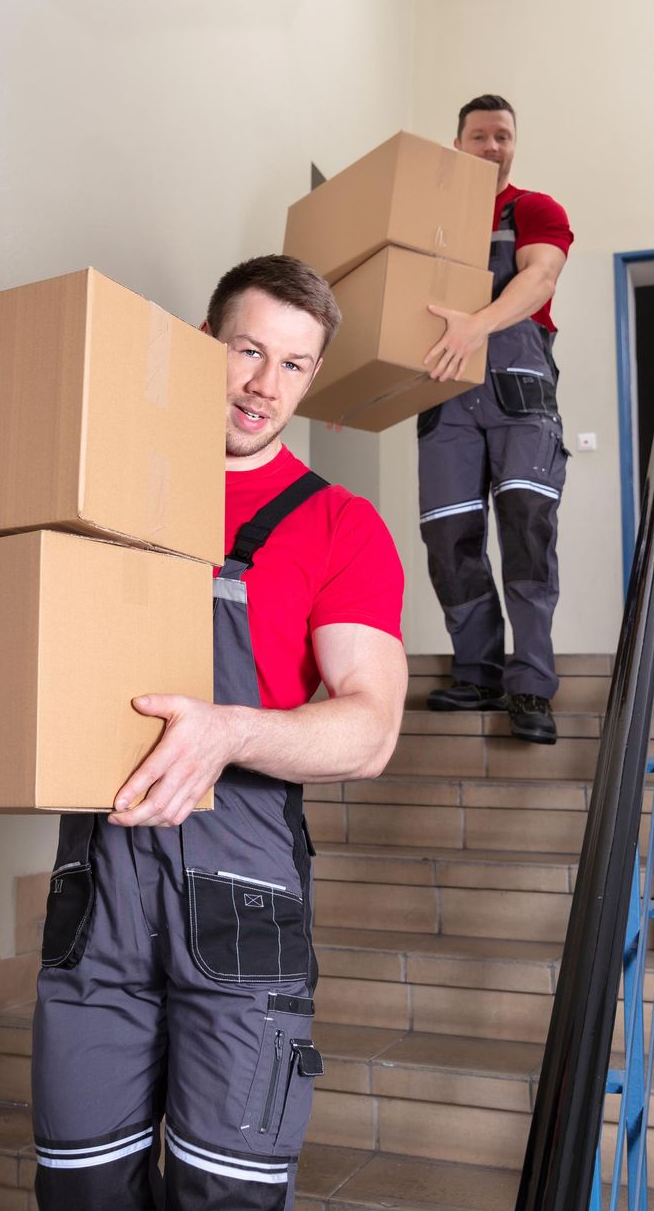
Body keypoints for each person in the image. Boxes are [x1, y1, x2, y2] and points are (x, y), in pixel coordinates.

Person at [28, 255, 408, 1209]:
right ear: (204, 344)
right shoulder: (102, 492)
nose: (261, 386)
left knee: (225, 1200)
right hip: (98, 895)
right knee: (80, 1193)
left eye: (291, 365)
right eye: (247, 351)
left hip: (242, 908)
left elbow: (368, 729)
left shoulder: (338, 526)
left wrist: (229, 733)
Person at [415, 93, 574, 745]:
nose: (492, 147)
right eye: (479, 137)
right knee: (450, 540)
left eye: (502, 136)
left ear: (514, 145)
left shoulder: (534, 210)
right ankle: (476, 670)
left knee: (526, 530)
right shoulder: (426, 223)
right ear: (458, 145)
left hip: (517, 388)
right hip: (442, 393)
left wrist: (477, 326)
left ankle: (531, 685)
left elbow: (537, 280)